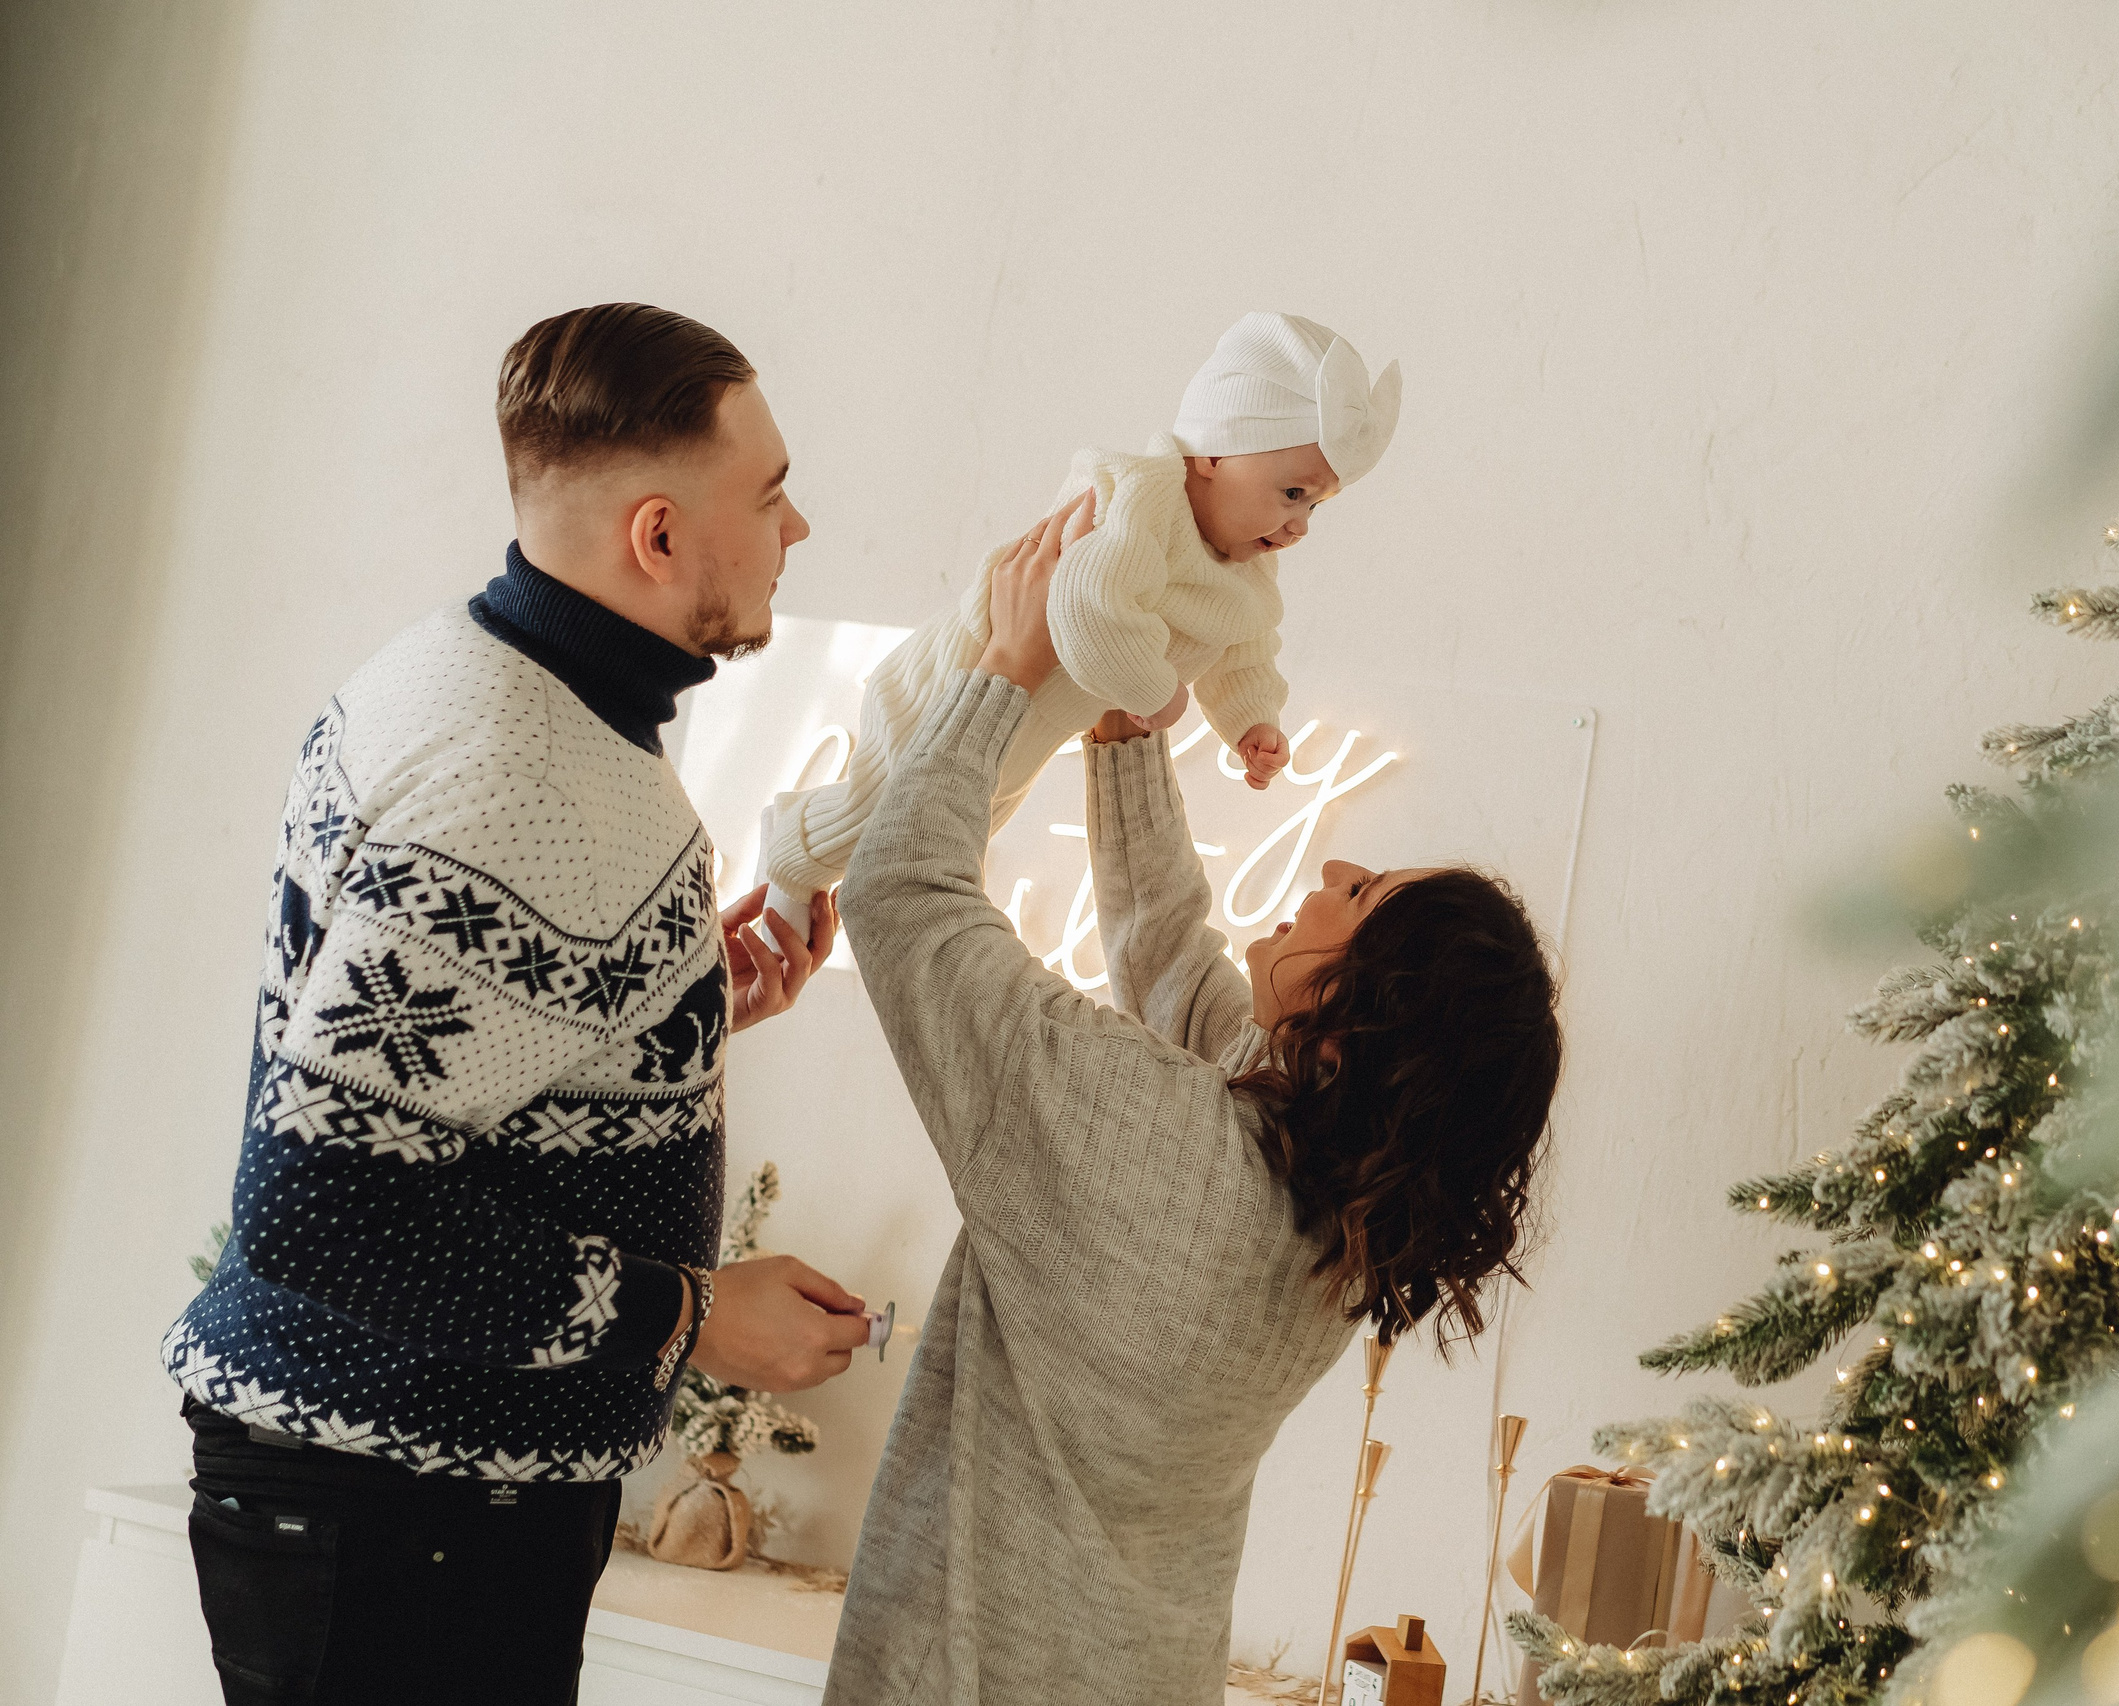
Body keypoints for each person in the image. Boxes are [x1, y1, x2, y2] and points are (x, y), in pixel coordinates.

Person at [162, 302, 871, 1706]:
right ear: (659, 535)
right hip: (403, 1514)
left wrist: (673, 1012)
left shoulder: (449, 670)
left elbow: (421, 1053)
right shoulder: (526, 778)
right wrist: (688, 1315)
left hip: (397, 1498)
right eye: (772, 492)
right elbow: (322, 1201)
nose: (799, 529)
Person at [823, 498, 1561, 1706]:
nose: (1326, 869)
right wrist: (1119, 724)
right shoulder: (1332, 1214)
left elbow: (902, 892)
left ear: (1351, 1011)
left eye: (1360, 889)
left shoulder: (1149, 1131)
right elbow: (1175, 960)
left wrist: (1005, 670)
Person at [755, 311, 1400, 939]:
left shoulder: (1247, 570)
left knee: (964, 825)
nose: (1300, 525)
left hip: (1026, 726)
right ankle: (790, 846)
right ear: (1214, 453)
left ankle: (833, 884)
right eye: (1292, 493)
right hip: (959, 685)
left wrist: (1251, 721)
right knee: (886, 808)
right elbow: (1088, 607)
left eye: (1317, 504)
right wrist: (1157, 691)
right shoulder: (1142, 500)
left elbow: (1244, 650)